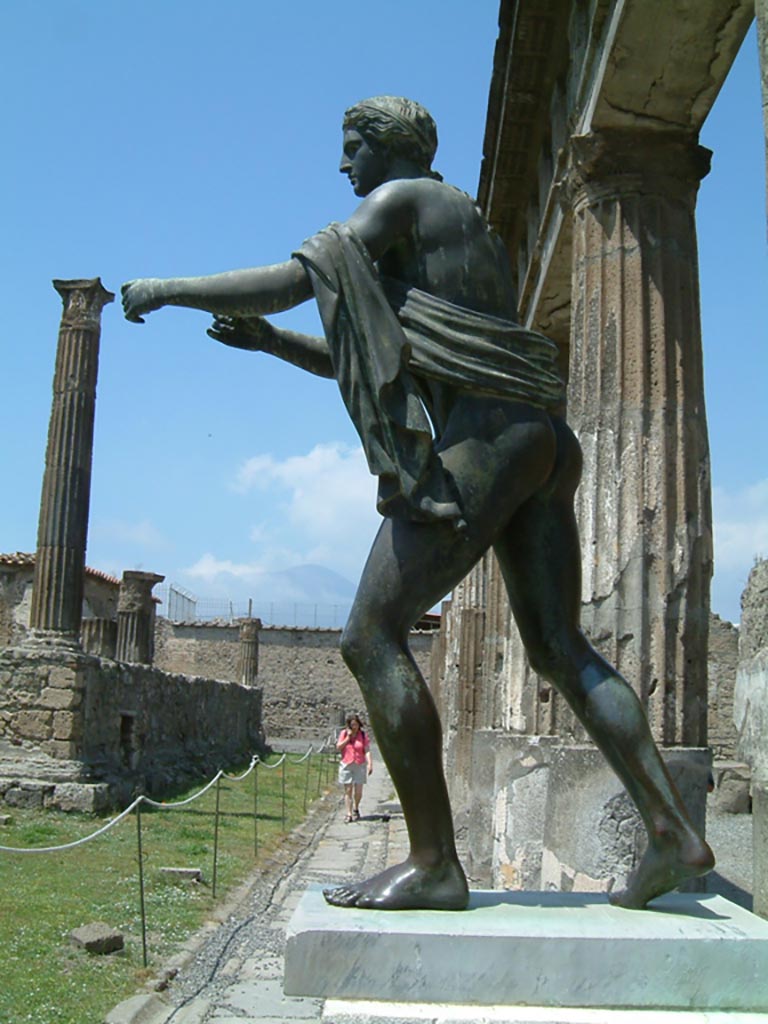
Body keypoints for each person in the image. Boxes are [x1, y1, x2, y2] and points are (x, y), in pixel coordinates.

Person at [122, 94, 714, 912]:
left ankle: (435, 863)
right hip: (541, 439)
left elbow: (293, 279)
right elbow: (386, 357)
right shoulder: (465, 224)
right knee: (558, 647)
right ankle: (672, 833)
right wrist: (270, 345)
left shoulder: (399, 201)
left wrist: (170, 286)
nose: (343, 167)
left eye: (351, 146)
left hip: (485, 442)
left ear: (387, 146)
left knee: (369, 635)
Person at [337, 714, 373, 822]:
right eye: (352, 725)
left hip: (359, 764)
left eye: (356, 724)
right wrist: (348, 738)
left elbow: (366, 750)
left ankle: (356, 808)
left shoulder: (362, 735)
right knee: (348, 790)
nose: (354, 727)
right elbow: (339, 747)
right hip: (347, 764)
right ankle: (348, 813)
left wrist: (370, 763)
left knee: (358, 791)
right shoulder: (343, 734)